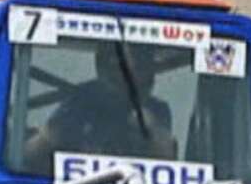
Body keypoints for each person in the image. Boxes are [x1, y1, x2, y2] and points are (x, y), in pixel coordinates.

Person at [20, 42, 179, 171]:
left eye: (138, 67)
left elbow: (168, 159)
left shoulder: (156, 110)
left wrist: (149, 128)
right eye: (116, 67)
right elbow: (28, 157)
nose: (125, 76)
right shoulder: (81, 100)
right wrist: (54, 132)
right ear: (102, 68)